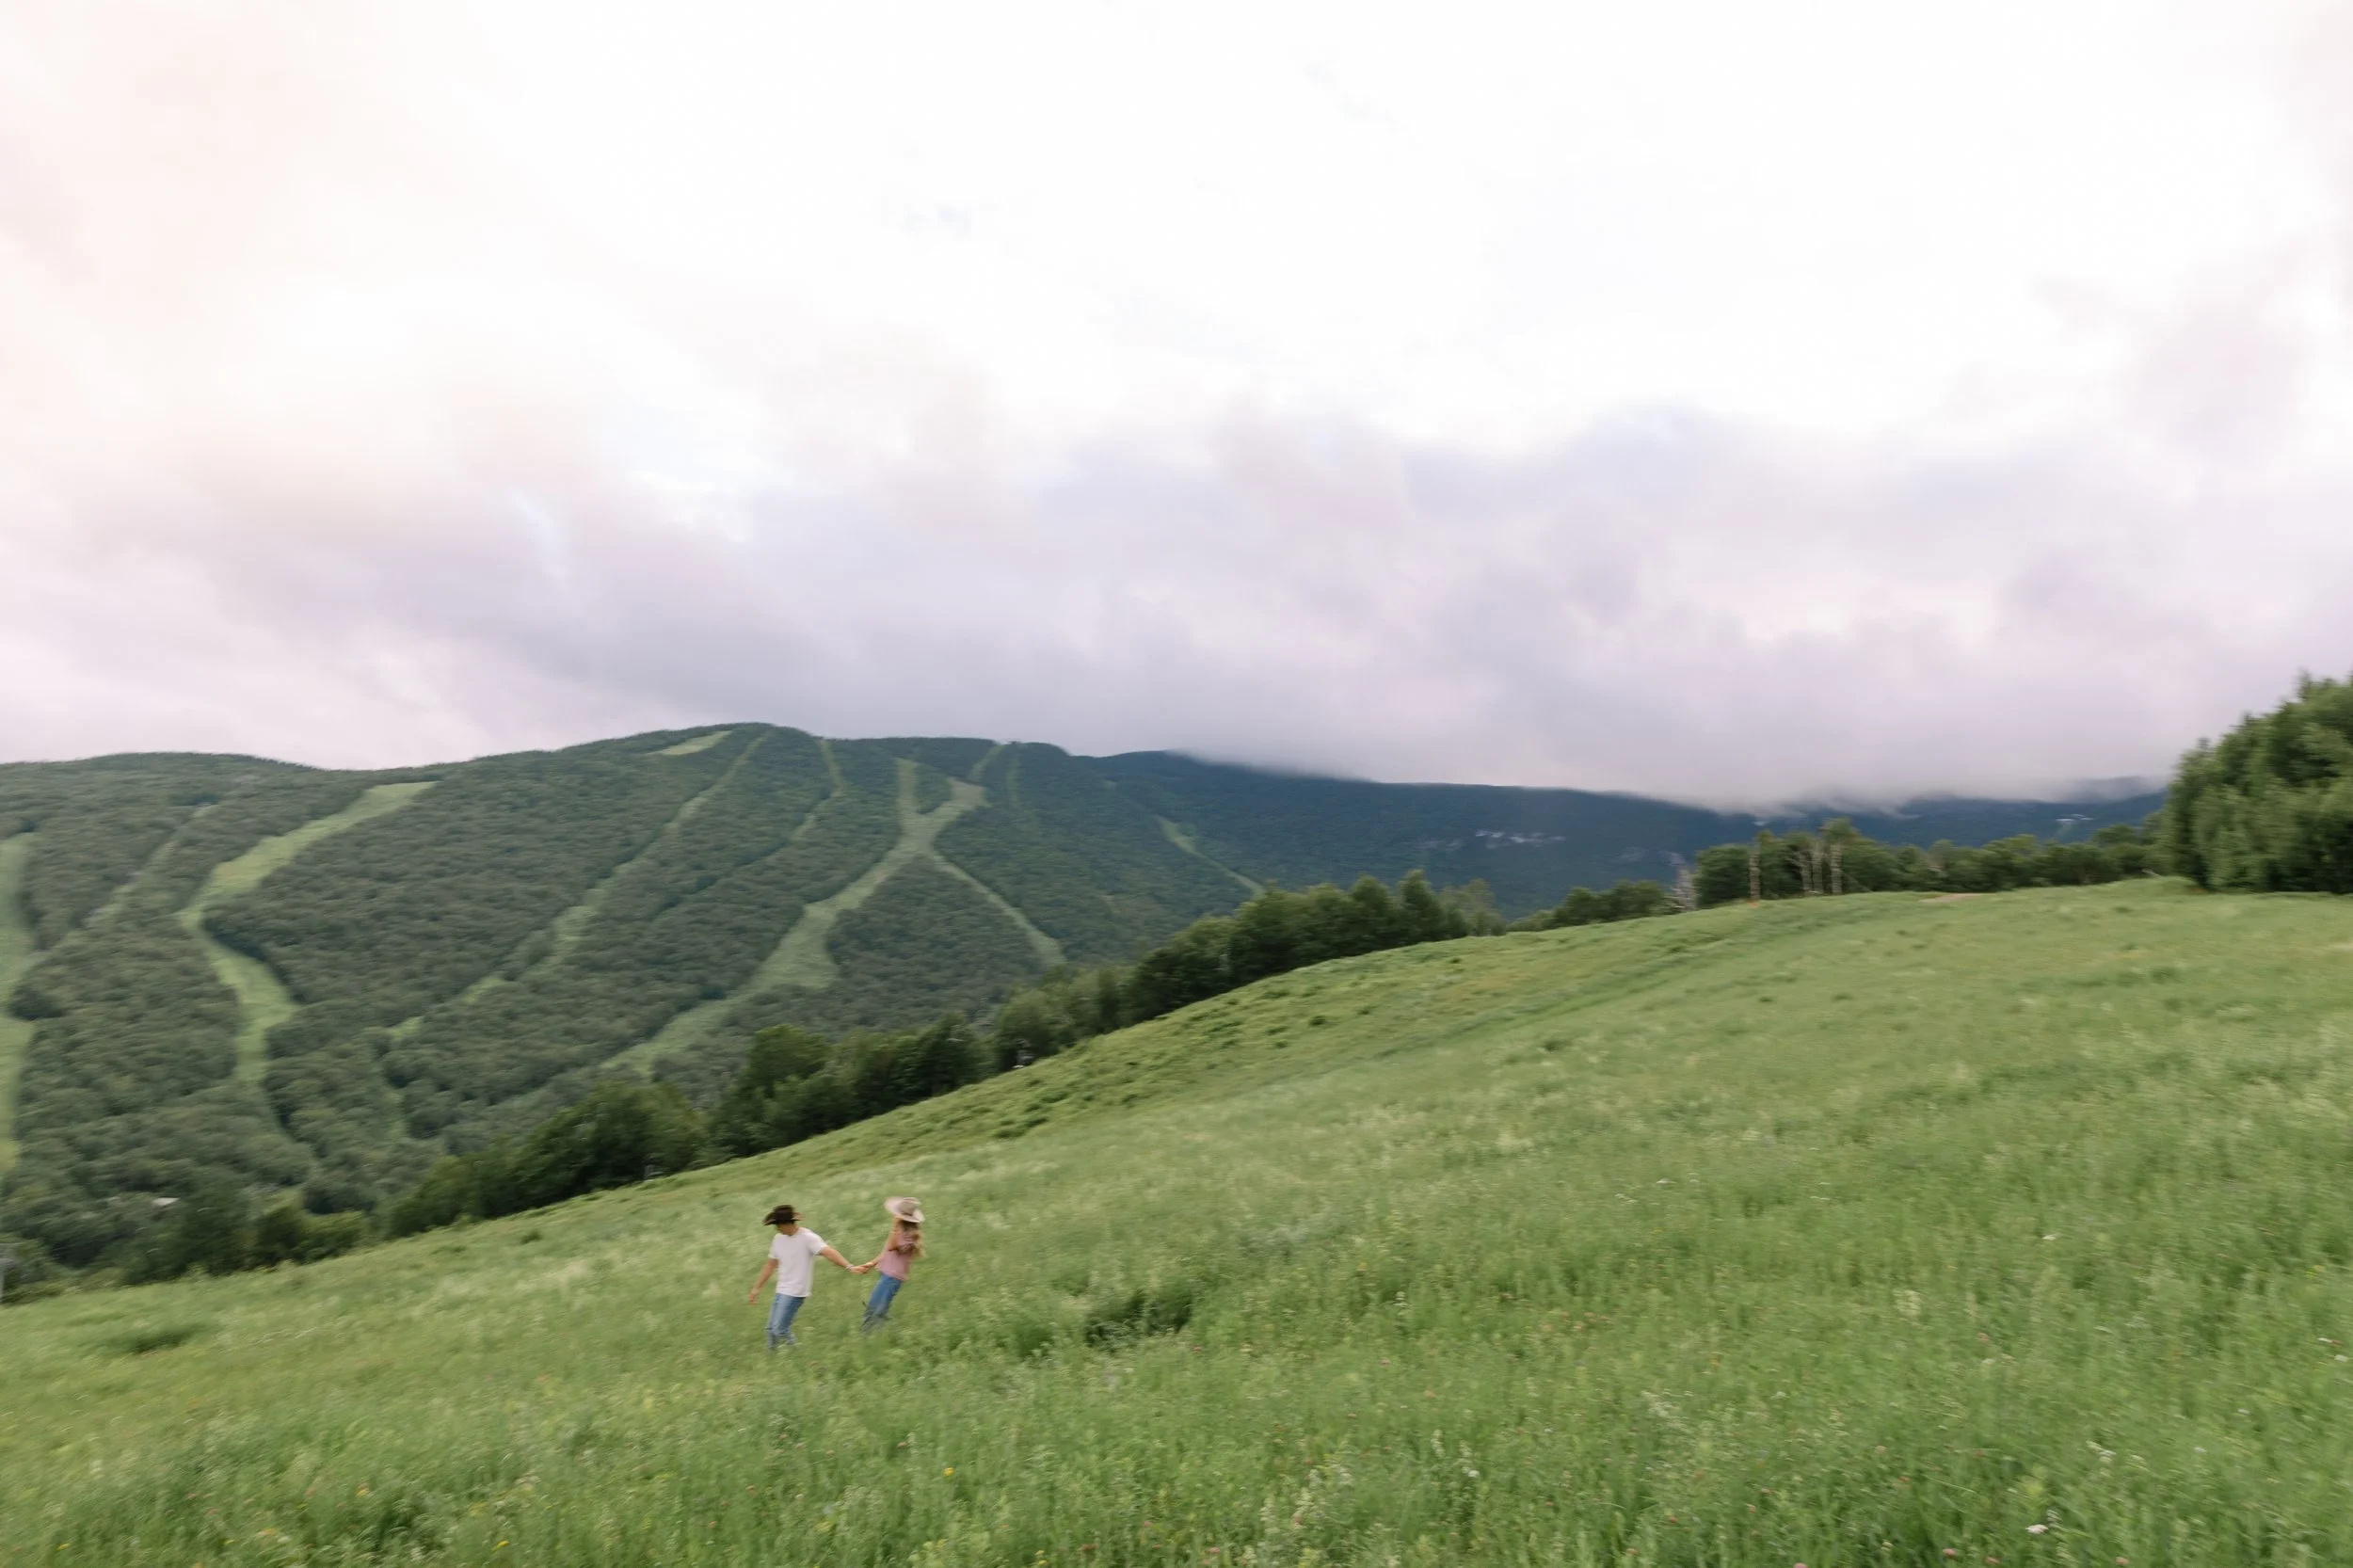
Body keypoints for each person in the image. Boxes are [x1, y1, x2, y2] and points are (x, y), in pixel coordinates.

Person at [744, 1204, 856, 1350]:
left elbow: (828, 1252)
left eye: (778, 1225)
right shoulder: (778, 1239)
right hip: (781, 1290)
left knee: (780, 1330)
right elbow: (770, 1265)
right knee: (770, 1330)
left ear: (787, 1223)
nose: (777, 1229)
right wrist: (756, 1288)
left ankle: (797, 1353)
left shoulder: (808, 1238)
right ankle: (772, 1357)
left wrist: (849, 1266)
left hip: (795, 1291)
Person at [854, 1195, 924, 1332]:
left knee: (874, 1310)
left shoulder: (908, 1236)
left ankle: (869, 1335)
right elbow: (887, 1251)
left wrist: (894, 1226)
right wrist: (872, 1263)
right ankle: (890, 1331)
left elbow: (892, 1247)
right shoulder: (901, 1230)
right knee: (877, 1309)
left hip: (892, 1278)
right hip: (887, 1276)